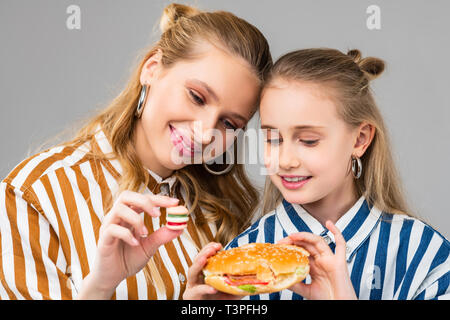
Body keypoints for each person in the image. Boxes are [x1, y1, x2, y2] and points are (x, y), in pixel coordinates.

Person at [0, 3, 272, 300]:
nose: (206, 131)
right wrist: (101, 286)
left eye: (229, 123)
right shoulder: (35, 196)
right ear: (152, 69)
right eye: (197, 97)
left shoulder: (218, 218)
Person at [184, 48, 449, 300]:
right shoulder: (239, 262)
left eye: (309, 140)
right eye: (272, 139)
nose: (285, 160)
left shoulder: (427, 256)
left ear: (360, 139)